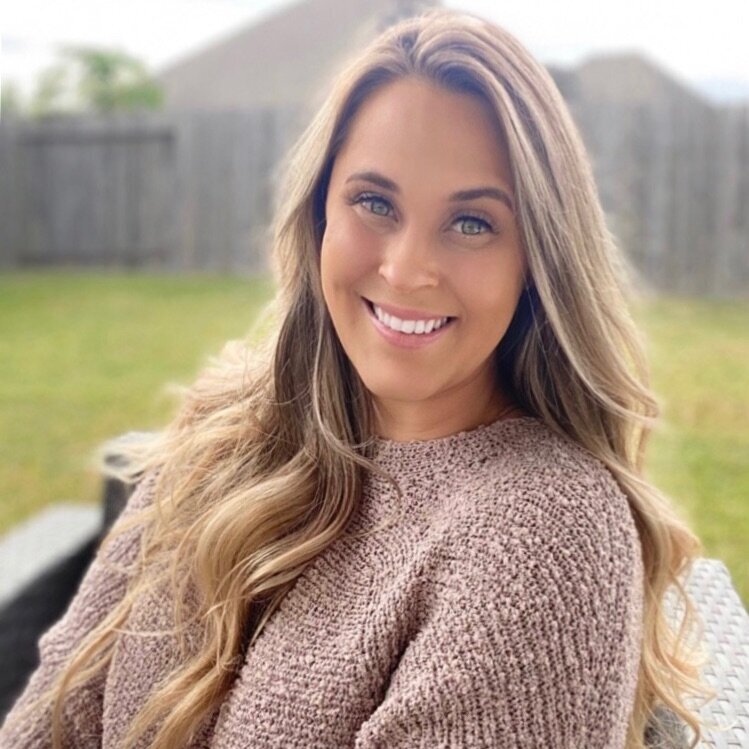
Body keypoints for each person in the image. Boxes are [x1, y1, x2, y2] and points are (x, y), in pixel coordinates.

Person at [1, 8, 709, 749]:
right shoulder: (223, 431)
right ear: (318, 218)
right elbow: (54, 716)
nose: (405, 269)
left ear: (535, 258)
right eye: (374, 203)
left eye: (471, 222)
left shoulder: (541, 533)